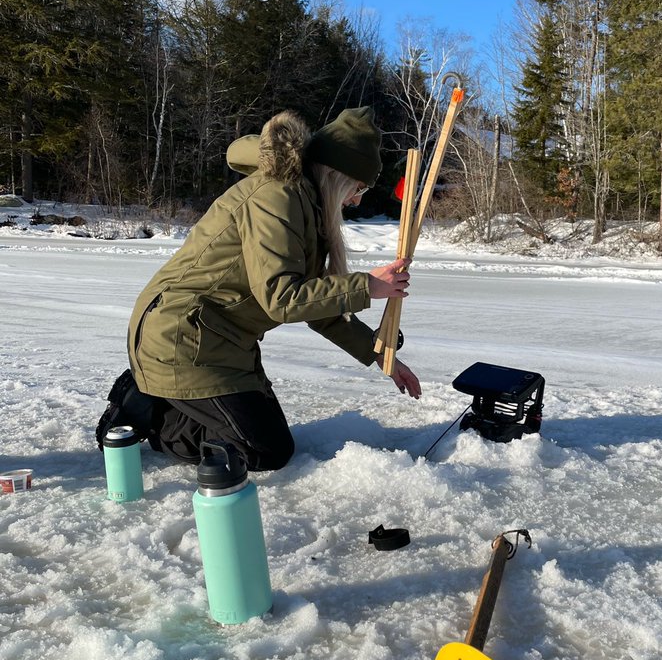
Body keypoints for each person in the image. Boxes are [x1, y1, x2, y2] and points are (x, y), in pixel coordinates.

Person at [96, 106, 420, 471]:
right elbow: (282, 299)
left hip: (223, 343)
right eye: (358, 188)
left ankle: (165, 397)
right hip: (181, 337)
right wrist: (366, 286)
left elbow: (319, 308)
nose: (356, 200)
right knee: (263, 450)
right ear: (336, 175)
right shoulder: (276, 197)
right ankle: (150, 410)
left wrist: (379, 354)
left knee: (268, 439)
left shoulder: (305, 204)